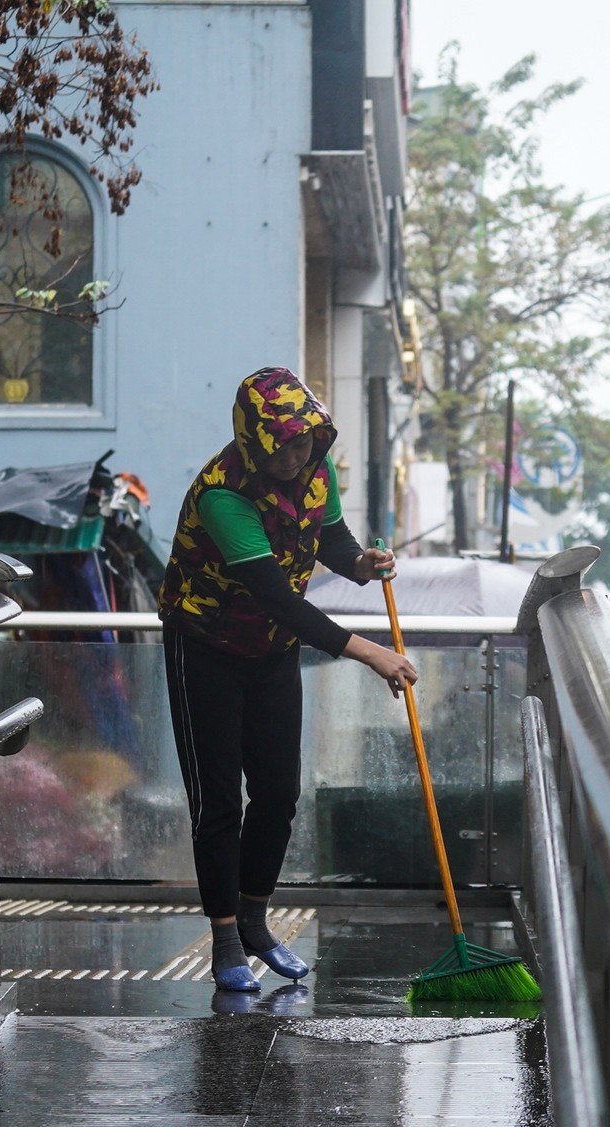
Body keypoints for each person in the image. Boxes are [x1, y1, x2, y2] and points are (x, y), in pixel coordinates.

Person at [156, 366, 417, 993]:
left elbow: (328, 535)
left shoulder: (313, 467)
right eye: (286, 447)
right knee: (218, 802)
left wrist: (360, 563)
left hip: (270, 651)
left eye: (308, 444)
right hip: (206, 645)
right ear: (255, 443)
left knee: (278, 794)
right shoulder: (224, 495)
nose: (299, 458)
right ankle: (223, 938)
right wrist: (369, 652)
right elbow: (279, 598)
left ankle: (253, 918)